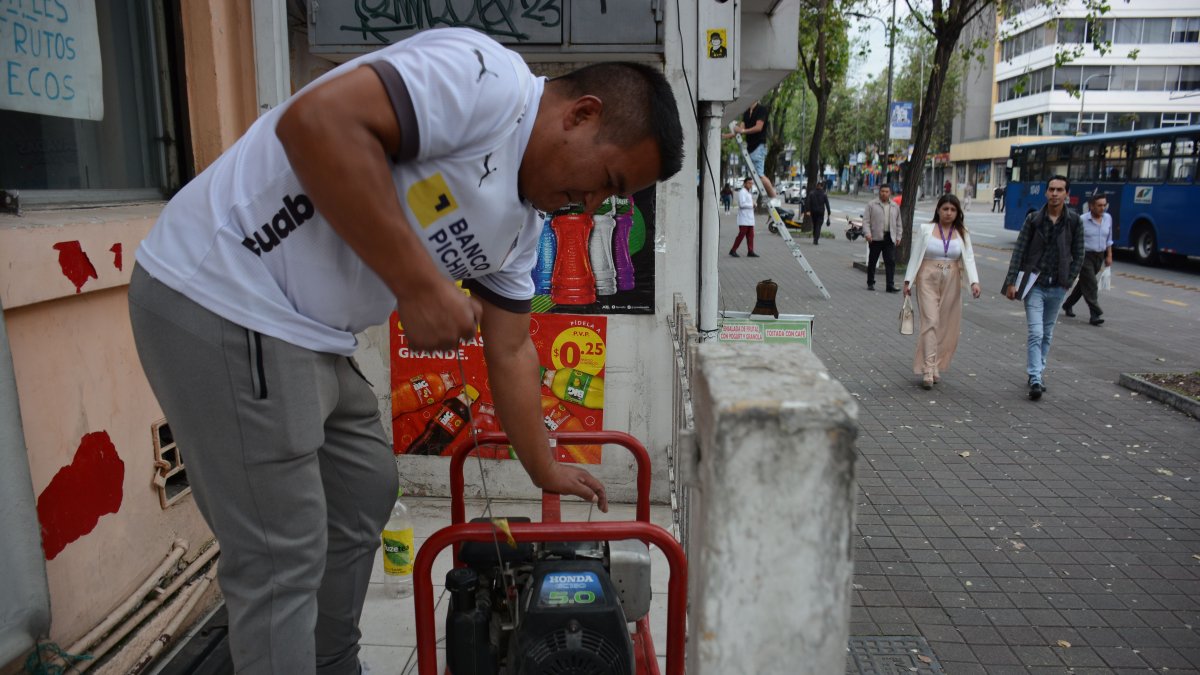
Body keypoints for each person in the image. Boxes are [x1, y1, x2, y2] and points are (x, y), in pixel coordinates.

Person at [127, 27, 683, 675]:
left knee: (363, 487)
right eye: (606, 179)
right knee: (282, 554)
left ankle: (333, 664)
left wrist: (543, 465)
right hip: (223, 289)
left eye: (612, 199)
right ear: (581, 114)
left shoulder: (522, 229)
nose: (592, 204)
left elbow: (510, 351)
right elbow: (316, 121)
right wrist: (418, 284)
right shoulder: (483, 79)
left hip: (311, 332)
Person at [1002, 175, 1085, 401]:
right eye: (1051, 189)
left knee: (1047, 333)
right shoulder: (1034, 219)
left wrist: (1069, 279)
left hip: (1058, 286)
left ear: (1067, 194)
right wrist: (1012, 281)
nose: (1055, 194)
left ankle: (1038, 370)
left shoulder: (1074, 221)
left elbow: (1079, 254)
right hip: (1034, 284)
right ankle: (1035, 378)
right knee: (1036, 332)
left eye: (1060, 190)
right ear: (1046, 193)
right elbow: (1019, 250)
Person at [903, 195, 981, 389]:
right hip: (927, 276)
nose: (948, 213)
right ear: (938, 210)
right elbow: (915, 255)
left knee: (945, 323)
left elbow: (969, 257)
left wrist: (974, 282)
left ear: (958, 213)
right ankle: (928, 369)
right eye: (945, 209)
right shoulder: (925, 229)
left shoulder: (962, 232)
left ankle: (936, 364)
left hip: (952, 277)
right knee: (931, 321)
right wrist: (908, 280)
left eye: (953, 210)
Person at [1062, 192, 1113, 326]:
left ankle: (1068, 304)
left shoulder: (1108, 218)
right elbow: (1073, 239)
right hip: (1084, 256)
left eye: (1104, 205)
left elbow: (1109, 240)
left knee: (1083, 285)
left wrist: (1109, 256)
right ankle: (1095, 314)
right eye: (1099, 205)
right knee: (1091, 284)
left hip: (1099, 256)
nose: (1102, 208)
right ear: (1091, 206)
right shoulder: (1082, 220)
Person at [723, 100, 777, 202]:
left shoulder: (761, 110)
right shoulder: (747, 112)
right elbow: (739, 130)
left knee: (760, 175)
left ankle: (773, 197)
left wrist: (742, 131)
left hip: (759, 146)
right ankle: (772, 197)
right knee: (756, 176)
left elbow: (758, 127)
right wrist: (724, 136)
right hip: (750, 148)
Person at [863, 185, 903, 292]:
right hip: (875, 237)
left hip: (889, 237)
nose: (884, 193)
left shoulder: (895, 206)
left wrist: (899, 236)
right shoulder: (871, 204)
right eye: (882, 191)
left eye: (887, 191)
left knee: (890, 261)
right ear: (879, 192)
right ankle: (870, 282)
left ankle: (890, 285)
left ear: (890, 193)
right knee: (872, 261)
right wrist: (867, 233)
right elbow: (866, 221)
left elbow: (899, 223)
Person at [730, 176, 759, 257]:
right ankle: (733, 250)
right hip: (744, 218)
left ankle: (750, 251)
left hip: (749, 218)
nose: (751, 185)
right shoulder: (742, 192)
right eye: (749, 183)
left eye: (751, 183)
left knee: (751, 236)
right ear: (745, 183)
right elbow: (742, 204)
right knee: (741, 235)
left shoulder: (748, 192)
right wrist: (752, 205)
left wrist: (754, 204)